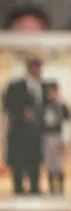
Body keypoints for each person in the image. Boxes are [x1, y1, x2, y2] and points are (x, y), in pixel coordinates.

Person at [3, 57, 44, 195]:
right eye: (36, 68)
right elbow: (7, 104)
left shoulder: (44, 86)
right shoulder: (15, 86)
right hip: (19, 131)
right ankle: (18, 188)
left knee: (34, 161)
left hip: (36, 132)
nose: (39, 71)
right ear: (30, 69)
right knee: (18, 161)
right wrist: (22, 112)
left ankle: (34, 188)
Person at [40, 82, 70, 195]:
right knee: (49, 163)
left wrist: (65, 140)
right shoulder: (44, 106)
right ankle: (52, 187)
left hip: (57, 136)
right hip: (47, 136)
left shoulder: (62, 106)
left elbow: (67, 123)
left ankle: (61, 188)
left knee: (58, 164)